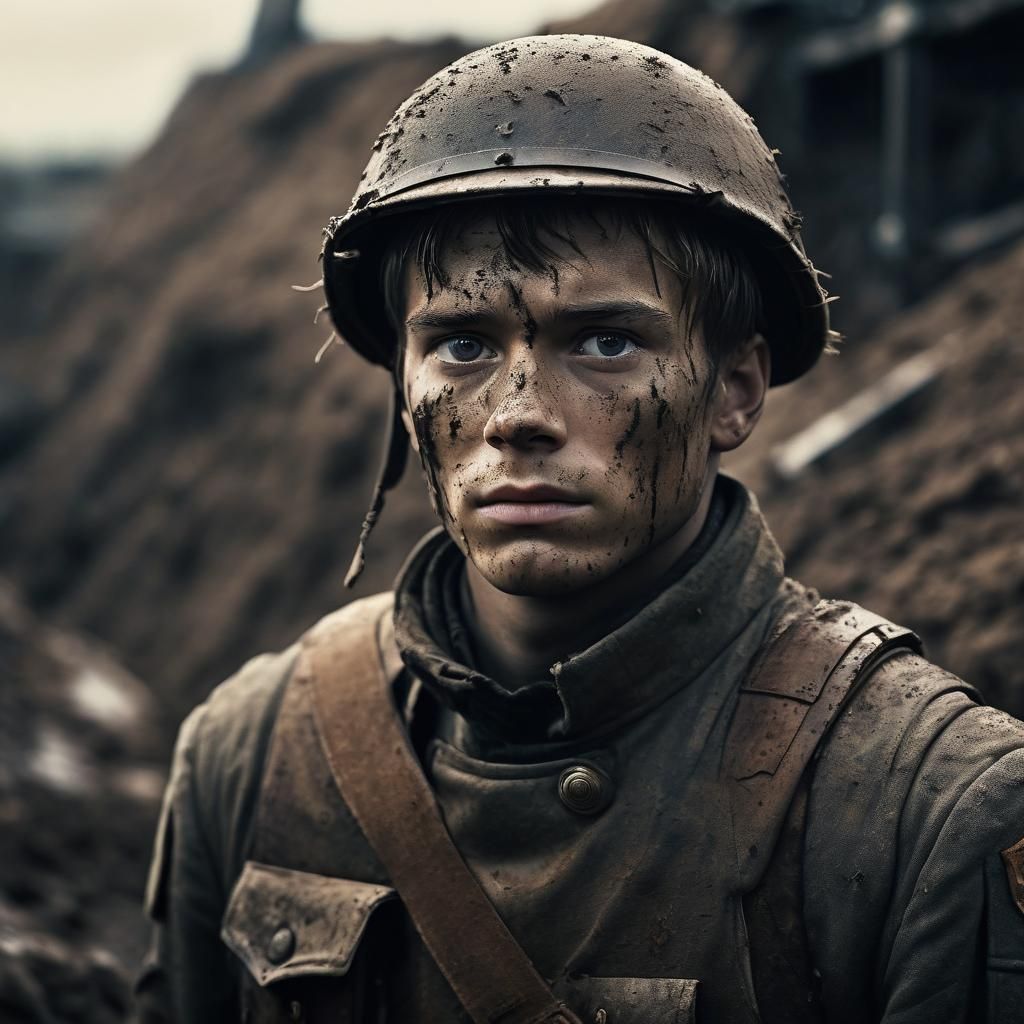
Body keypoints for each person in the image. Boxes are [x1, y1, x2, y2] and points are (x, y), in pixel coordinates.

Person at [134, 34, 1024, 1024]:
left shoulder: (930, 809)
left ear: (734, 389)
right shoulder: (247, 756)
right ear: (403, 388)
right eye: (462, 343)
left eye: (604, 341)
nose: (517, 412)